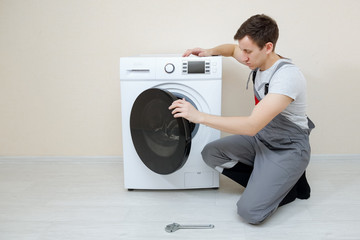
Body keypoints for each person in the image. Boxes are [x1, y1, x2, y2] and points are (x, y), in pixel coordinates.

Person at [169, 14, 315, 224]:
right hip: (263, 139)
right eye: (243, 50)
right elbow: (230, 49)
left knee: (250, 212)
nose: (243, 57)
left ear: (268, 47)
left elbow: (251, 126)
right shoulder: (256, 59)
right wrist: (209, 51)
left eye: (248, 51)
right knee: (211, 153)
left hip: (287, 147)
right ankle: (270, 181)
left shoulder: (287, 77)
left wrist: (198, 116)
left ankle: (286, 188)